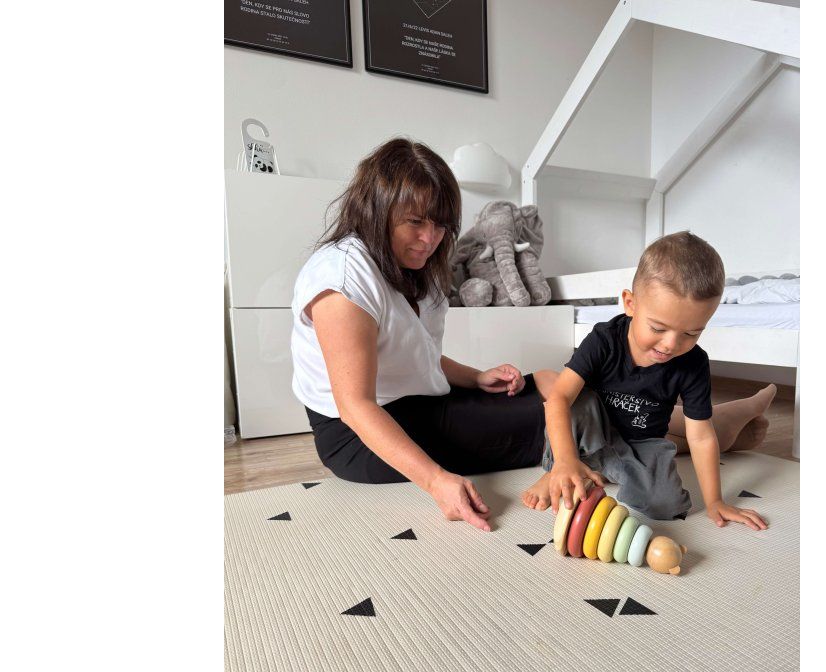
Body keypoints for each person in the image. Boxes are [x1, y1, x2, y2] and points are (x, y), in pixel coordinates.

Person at [291, 137, 774, 534]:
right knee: (561, 412)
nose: (430, 238)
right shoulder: (344, 279)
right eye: (415, 222)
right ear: (375, 208)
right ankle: (717, 427)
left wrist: (474, 377)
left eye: (440, 225)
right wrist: (437, 482)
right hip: (357, 436)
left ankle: (708, 427)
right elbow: (356, 405)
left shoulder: (411, 267)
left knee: (554, 396)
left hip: (418, 403)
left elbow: (413, 355)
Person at [519, 231, 771, 531]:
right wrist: (563, 459)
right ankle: (562, 468)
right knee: (575, 400)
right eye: (658, 328)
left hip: (641, 443)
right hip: (589, 434)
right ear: (630, 303)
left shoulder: (693, 363)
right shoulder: (603, 340)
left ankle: (594, 469)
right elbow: (558, 399)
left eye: (691, 333)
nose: (671, 344)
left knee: (666, 505)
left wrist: (715, 501)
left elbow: (701, 436)